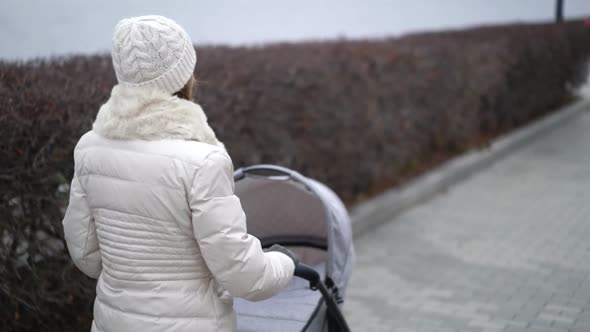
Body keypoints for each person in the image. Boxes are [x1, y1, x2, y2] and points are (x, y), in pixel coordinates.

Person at [62, 15, 296, 332]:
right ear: (184, 77)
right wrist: (284, 262)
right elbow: (244, 276)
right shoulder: (203, 161)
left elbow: (86, 254)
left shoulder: (90, 148)